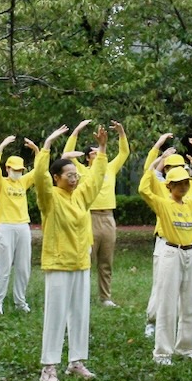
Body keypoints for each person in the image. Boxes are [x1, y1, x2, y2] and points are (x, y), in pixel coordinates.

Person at [35, 125, 107, 381]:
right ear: (56, 177)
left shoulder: (80, 197)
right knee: (55, 315)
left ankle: (76, 362)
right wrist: (47, 146)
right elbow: (40, 180)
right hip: (58, 263)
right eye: (69, 175)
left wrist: (101, 149)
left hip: (80, 262)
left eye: (76, 175)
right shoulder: (50, 198)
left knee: (79, 313)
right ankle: (49, 367)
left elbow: (97, 178)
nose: (75, 179)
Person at [139, 149, 192, 364]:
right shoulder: (164, 204)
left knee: (190, 302)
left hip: (190, 253)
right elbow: (143, 190)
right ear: (170, 186)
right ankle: (163, 352)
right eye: (178, 183)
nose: (183, 187)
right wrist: (153, 165)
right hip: (170, 252)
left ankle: (186, 348)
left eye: (186, 183)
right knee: (167, 303)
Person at [63, 119, 130, 307]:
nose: (99, 153)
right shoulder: (82, 170)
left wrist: (121, 133)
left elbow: (124, 152)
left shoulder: (110, 168)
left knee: (106, 261)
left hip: (108, 217)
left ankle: (105, 297)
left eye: (100, 151)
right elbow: (68, 155)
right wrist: (76, 129)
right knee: (86, 259)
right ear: (87, 158)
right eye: (93, 153)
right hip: (88, 217)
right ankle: (79, 297)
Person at [0, 136, 37, 315]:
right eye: (14, 169)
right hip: (6, 226)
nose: (17, 172)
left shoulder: (23, 182)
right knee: (3, 266)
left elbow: (39, 169)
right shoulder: (1, 182)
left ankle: (20, 301)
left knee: (23, 267)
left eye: (20, 170)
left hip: (23, 226)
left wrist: (37, 150)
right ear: (7, 168)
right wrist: (2, 145)